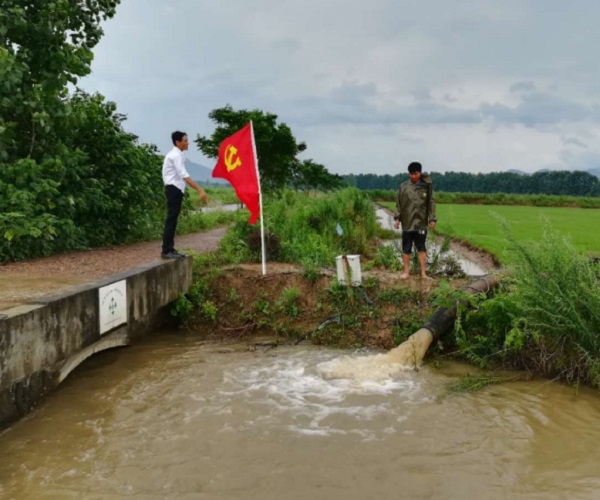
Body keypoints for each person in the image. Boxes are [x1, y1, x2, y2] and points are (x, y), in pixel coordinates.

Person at [161, 131, 207, 259]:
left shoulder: (177, 154)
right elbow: (184, 175)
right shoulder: (176, 155)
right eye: (185, 141)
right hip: (173, 189)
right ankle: (166, 250)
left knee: (173, 219)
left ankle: (169, 248)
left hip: (174, 189)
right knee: (171, 219)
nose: (188, 143)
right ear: (178, 142)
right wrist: (199, 190)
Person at [393, 161, 437, 279]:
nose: (413, 176)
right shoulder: (403, 187)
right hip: (407, 223)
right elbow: (399, 204)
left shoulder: (426, 186)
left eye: (415, 174)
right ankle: (406, 272)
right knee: (406, 248)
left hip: (420, 223)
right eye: (411, 174)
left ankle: (423, 273)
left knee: (421, 247)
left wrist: (432, 219)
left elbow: (431, 203)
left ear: (420, 173)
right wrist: (397, 219)